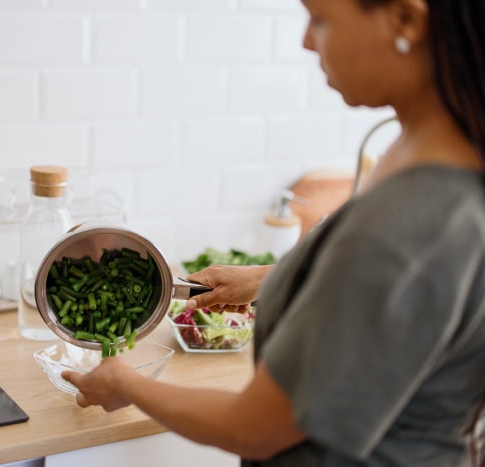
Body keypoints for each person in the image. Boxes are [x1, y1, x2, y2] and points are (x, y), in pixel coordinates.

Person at [61, 0, 485, 465]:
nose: (306, 40)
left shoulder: (412, 218)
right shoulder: (434, 155)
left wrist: (125, 383)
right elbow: (391, 299)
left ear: (406, 19)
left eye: (320, 19)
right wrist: (270, 278)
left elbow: (255, 427)